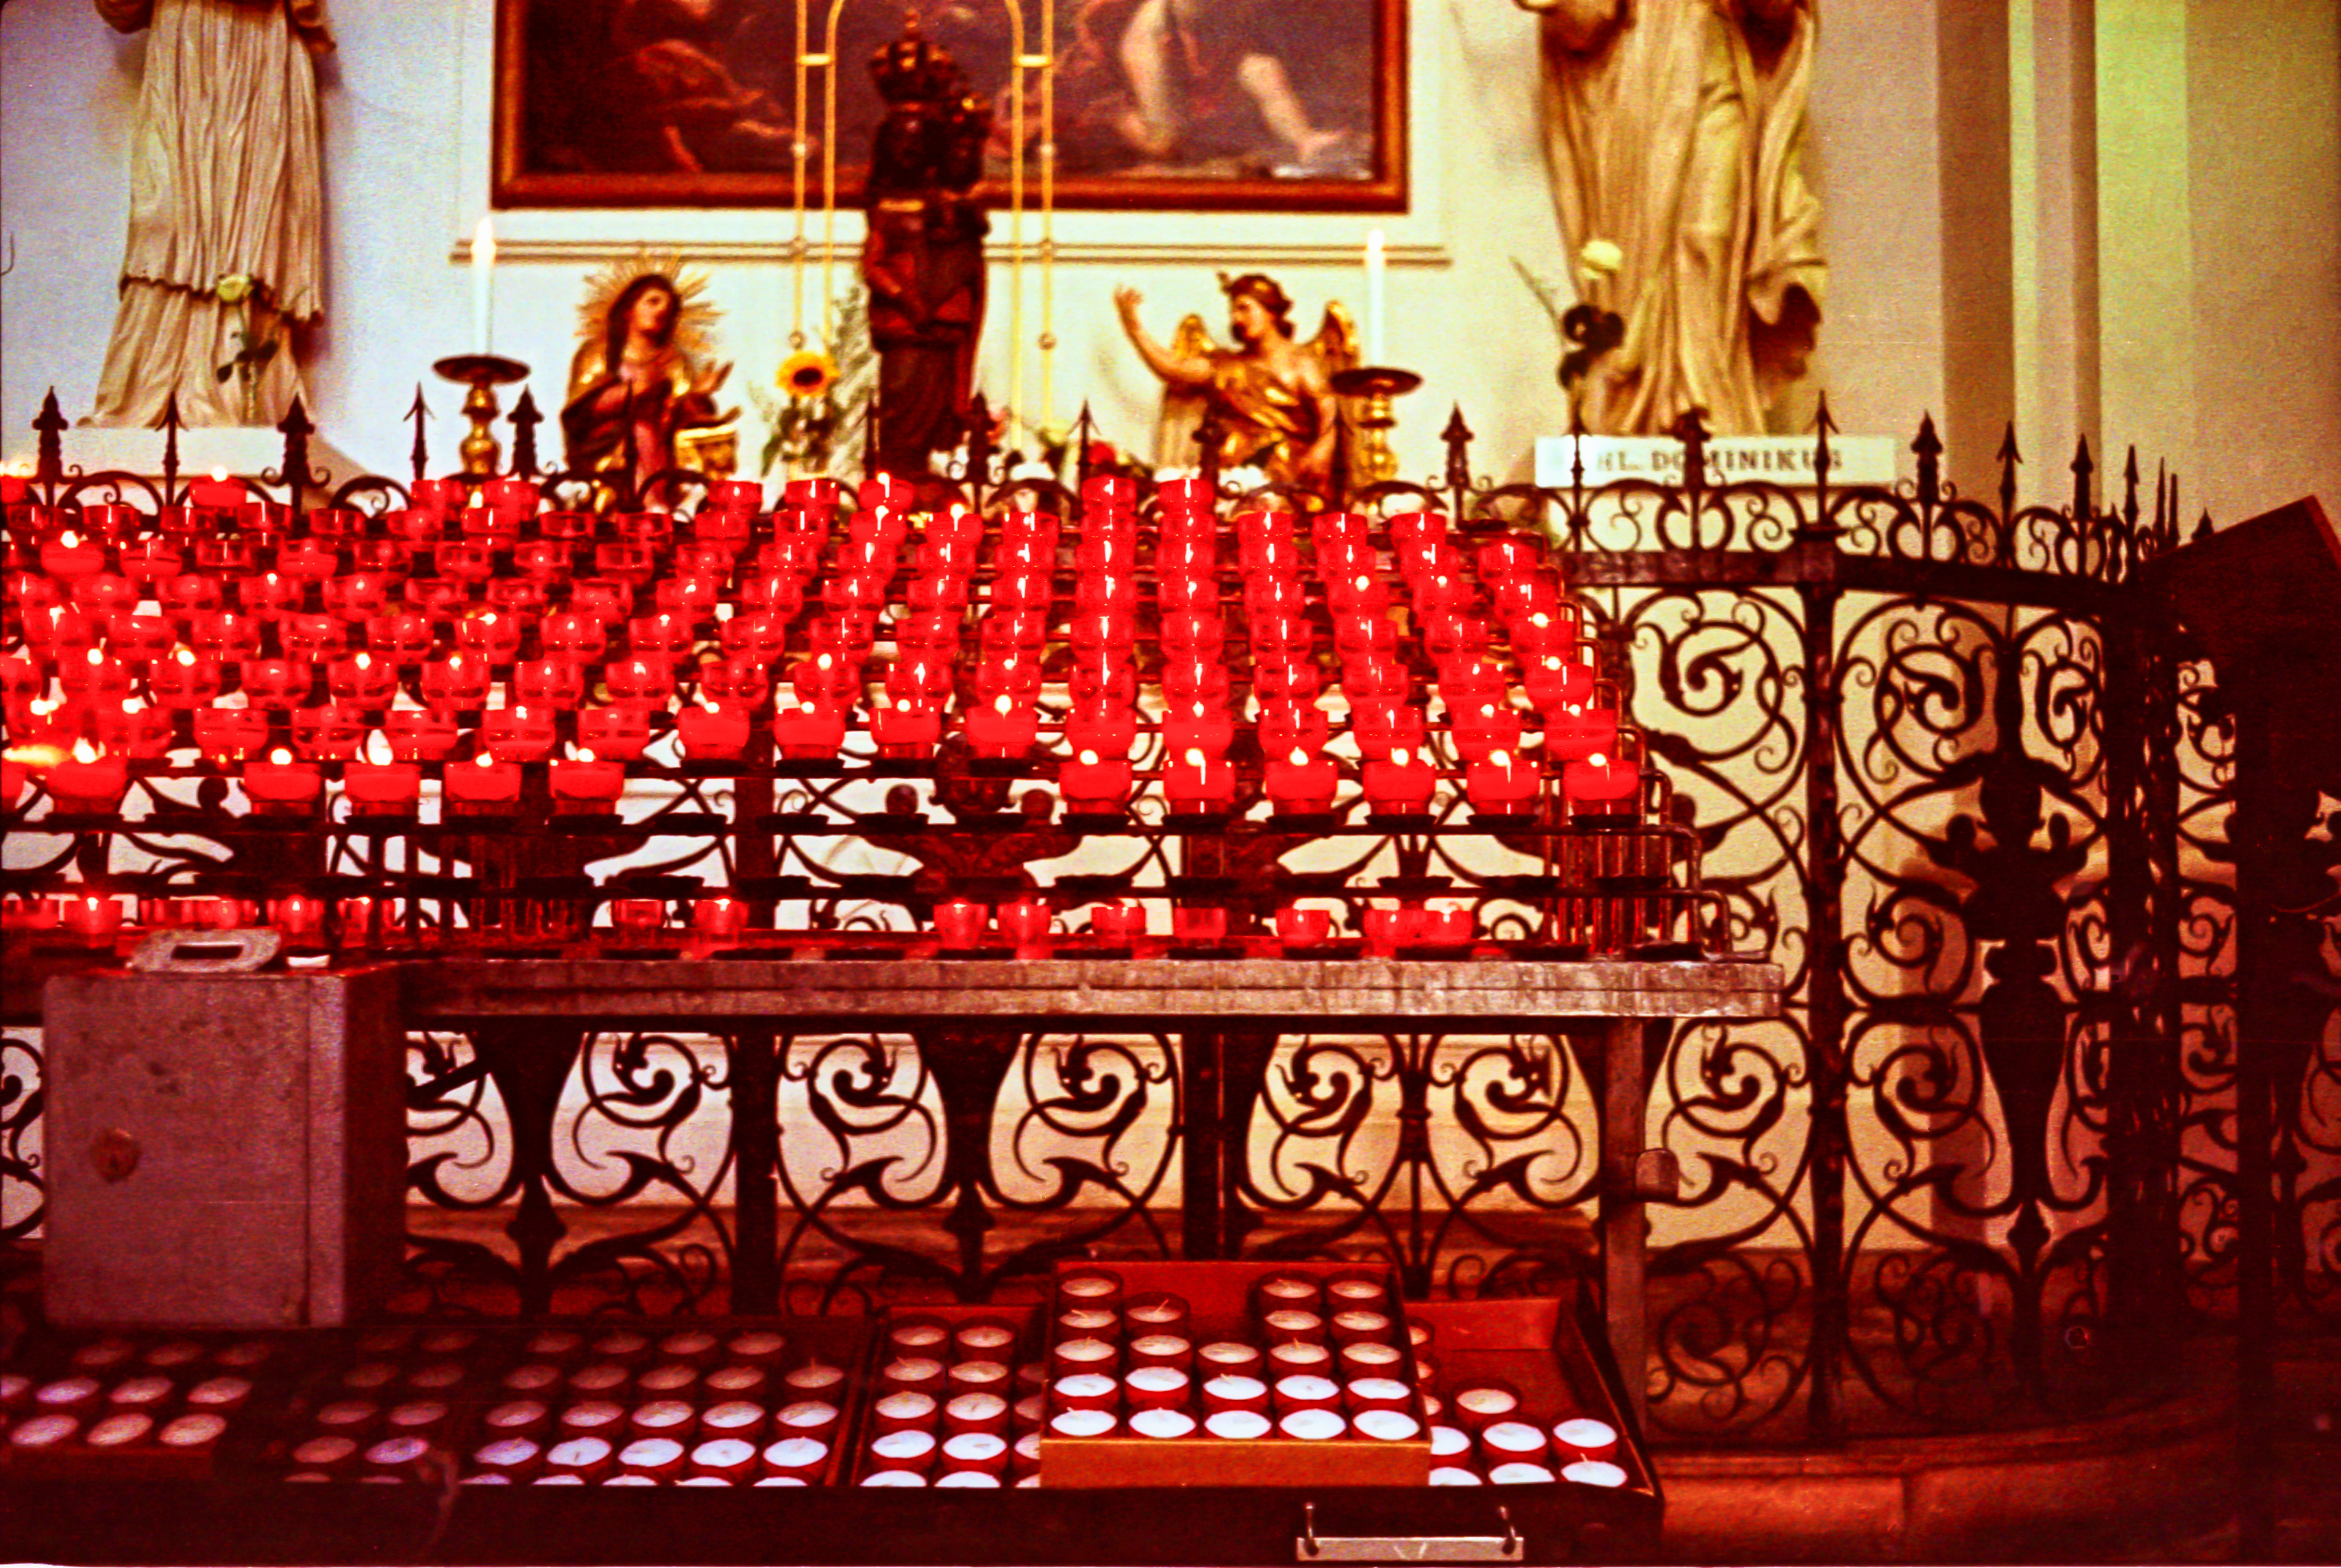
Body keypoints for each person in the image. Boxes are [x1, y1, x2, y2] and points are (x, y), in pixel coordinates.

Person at [1515, 0, 1826, 435]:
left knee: (1709, 236)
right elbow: (1585, 25)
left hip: (1715, 67)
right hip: (1637, 79)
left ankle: (1709, 403)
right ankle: (1649, 403)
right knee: (1641, 254)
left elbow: (1777, 17)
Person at [88, 0, 332, 428]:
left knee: (251, 222)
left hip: (257, 49)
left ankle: (238, 394)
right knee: (165, 218)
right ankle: (146, 382)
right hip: (185, 48)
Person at [1055, 0, 1364, 175]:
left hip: (1207, 43)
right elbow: (1164, 29)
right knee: (1164, 143)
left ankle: (1305, 139)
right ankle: (1112, 117)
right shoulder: (1147, 35)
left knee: (1264, 71)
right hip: (1155, 47)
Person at [1114, 272, 1354, 493]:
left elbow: (1331, 415)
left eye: (1244, 308)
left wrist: (1323, 449)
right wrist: (1134, 328)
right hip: (1233, 476)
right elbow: (1174, 369)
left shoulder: (1301, 363)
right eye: (1233, 312)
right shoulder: (1228, 366)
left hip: (1288, 472)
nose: (1236, 318)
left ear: (1271, 310)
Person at [561, 267, 734, 498]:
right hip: (607, 448)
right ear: (629, 309)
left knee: (646, 433)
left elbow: (684, 421)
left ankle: (655, 503)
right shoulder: (599, 353)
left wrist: (698, 396)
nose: (661, 310)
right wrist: (630, 393)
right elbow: (581, 412)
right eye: (653, 302)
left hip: (661, 450)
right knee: (639, 430)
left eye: (669, 308)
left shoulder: (674, 361)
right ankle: (648, 504)